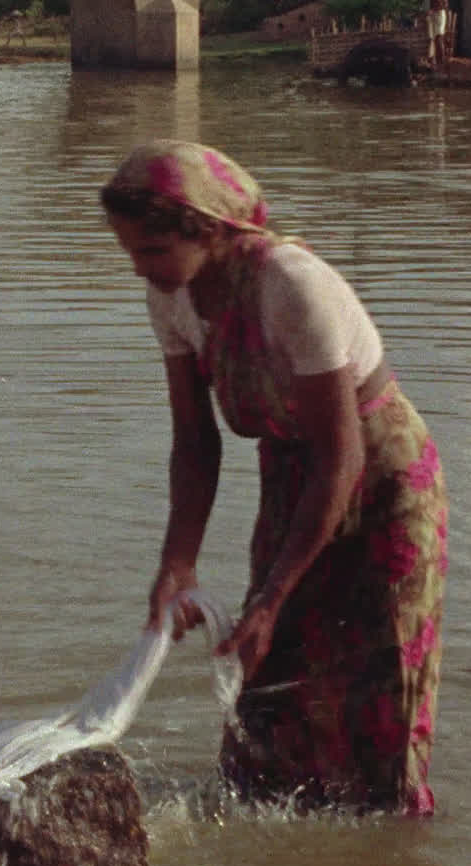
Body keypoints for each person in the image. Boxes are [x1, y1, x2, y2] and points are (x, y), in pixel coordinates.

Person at [99, 141, 445, 815]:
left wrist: (271, 596)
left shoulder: (291, 283)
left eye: (152, 251)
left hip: (381, 481)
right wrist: (178, 564)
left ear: (207, 232)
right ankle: (278, 836)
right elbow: (196, 443)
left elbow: (341, 458)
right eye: (131, 253)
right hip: (293, 470)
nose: (141, 269)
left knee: (378, 683)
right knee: (267, 679)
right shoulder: (171, 297)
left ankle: (392, 865)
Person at [421, 0, 453, 71]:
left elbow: (445, 4)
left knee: (439, 38)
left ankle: (442, 63)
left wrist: (433, 10)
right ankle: (434, 62)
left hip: (439, 14)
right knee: (433, 39)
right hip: (433, 15)